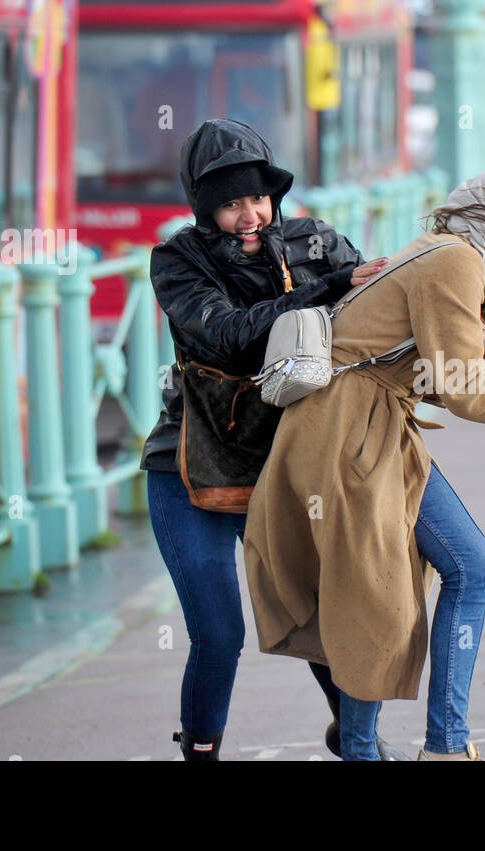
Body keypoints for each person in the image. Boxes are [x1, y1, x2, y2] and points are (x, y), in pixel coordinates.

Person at [242, 164, 485, 760]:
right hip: (343, 436)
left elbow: (434, 376)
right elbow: (463, 388)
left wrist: (481, 333)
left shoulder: (451, 255)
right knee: (373, 598)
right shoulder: (455, 262)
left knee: (465, 567)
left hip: (370, 426)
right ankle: (374, 751)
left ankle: (444, 746)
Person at [140, 118, 399, 760]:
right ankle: (201, 750)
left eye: (258, 198)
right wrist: (328, 290)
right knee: (220, 632)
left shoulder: (314, 242)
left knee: (318, 611)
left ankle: (356, 739)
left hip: (286, 462)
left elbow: (383, 303)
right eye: (230, 204)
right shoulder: (177, 261)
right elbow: (229, 334)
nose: (250, 215)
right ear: (204, 209)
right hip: (190, 468)